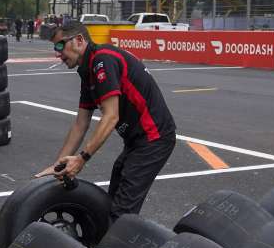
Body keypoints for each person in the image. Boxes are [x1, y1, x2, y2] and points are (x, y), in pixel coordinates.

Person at [36, 20, 176, 221]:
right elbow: (80, 124)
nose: (58, 53)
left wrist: (81, 159)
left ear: (79, 40)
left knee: (121, 213)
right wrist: (58, 166)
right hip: (136, 141)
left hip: (154, 139)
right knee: (111, 202)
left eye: (60, 45)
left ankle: (120, 246)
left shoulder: (103, 60)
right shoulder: (87, 70)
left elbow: (111, 116)